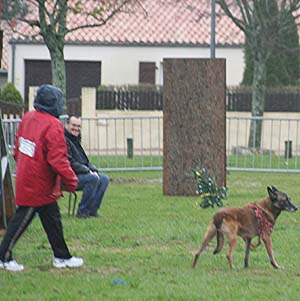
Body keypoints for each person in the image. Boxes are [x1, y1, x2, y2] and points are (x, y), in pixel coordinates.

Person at [0, 84, 83, 272]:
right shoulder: (53, 125)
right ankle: (3, 256)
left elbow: (18, 145)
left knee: (52, 219)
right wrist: (71, 180)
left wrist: (25, 164)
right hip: (38, 183)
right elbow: (58, 159)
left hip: (28, 175)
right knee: (22, 219)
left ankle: (62, 256)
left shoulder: (28, 117)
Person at [64, 116, 109, 218]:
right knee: (92, 178)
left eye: (79, 126)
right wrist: (88, 171)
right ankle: (83, 211)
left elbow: (85, 161)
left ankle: (92, 211)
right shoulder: (64, 140)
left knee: (104, 179)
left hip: (81, 174)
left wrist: (93, 169)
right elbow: (69, 163)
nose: (76, 128)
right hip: (68, 177)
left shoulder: (75, 140)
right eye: (74, 125)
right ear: (66, 125)